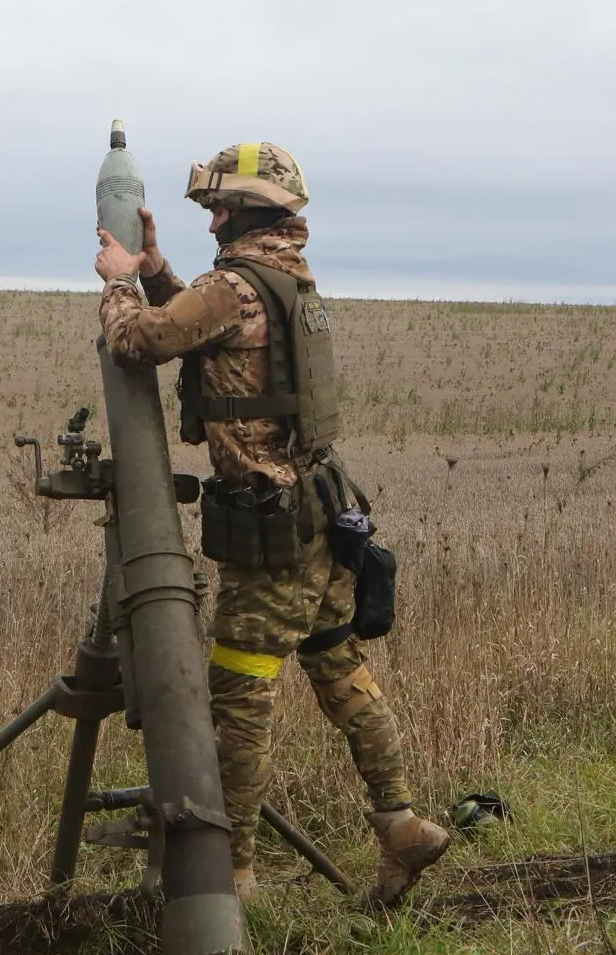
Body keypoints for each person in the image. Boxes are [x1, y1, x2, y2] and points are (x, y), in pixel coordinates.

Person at [94, 142, 451, 907]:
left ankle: (233, 880)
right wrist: (159, 273)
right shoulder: (284, 279)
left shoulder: (234, 286)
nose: (212, 219)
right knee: (338, 667)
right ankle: (401, 823)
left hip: (274, 533)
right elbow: (211, 322)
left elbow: (142, 342)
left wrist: (124, 286)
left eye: (220, 207)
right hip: (325, 514)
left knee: (238, 698)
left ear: (249, 211)